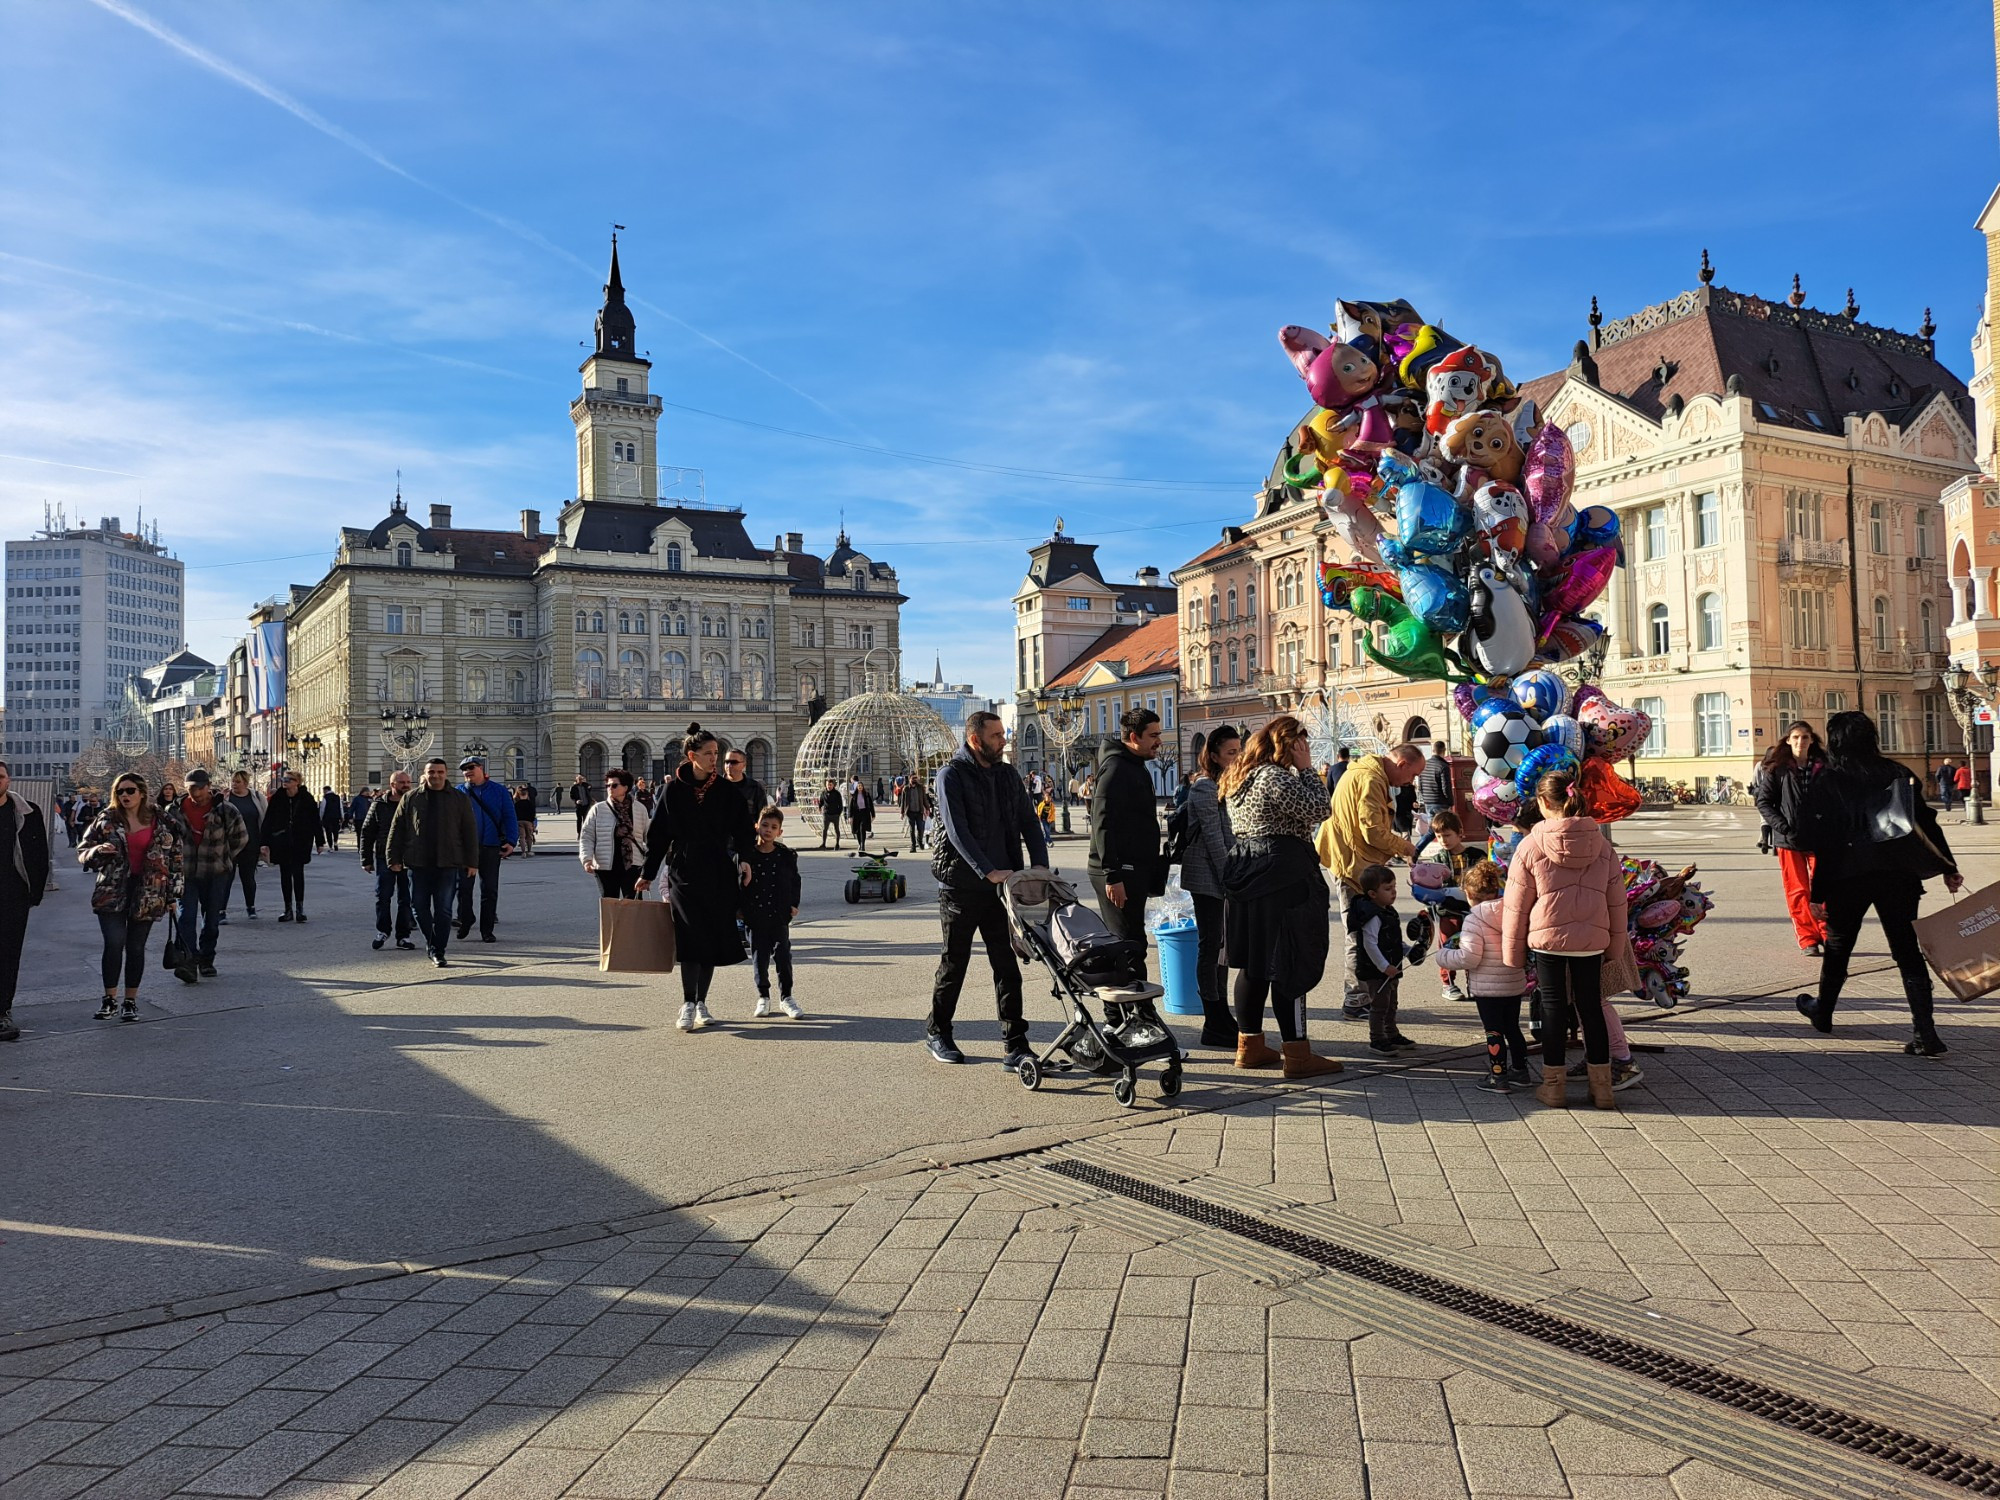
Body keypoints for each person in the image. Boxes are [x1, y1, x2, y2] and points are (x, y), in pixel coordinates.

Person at [1795, 710, 1962, 1056]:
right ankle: (1925, 1033)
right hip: (1897, 874)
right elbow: (1927, 824)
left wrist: (1818, 893)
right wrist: (1948, 866)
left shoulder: (1829, 780)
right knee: (1905, 950)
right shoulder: (1897, 772)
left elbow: (1819, 839)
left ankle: (1823, 1011)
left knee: (1839, 946)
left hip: (1846, 875)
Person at [1219, 715, 1340, 1079]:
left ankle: (1250, 1045)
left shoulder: (1239, 776)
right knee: (1292, 957)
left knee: (1255, 962)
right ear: (1285, 744)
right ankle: (1297, 1053)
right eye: (1301, 743)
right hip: (1283, 871)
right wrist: (1306, 771)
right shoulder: (1274, 776)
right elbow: (1321, 810)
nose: (1305, 750)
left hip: (1247, 867)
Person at [1502, 770, 1631, 1110]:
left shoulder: (1530, 846)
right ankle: (1602, 1088)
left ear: (1544, 803)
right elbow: (1617, 902)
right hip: (1592, 941)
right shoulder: (1602, 845)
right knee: (1590, 1008)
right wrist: (1615, 948)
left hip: (1548, 940)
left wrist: (1513, 954)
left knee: (1553, 1007)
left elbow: (1516, 906)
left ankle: (1554, 1087)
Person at [928, 710, 1048, 1068]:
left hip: (1002, 887)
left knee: (1007, 964)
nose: (1003, 741)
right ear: (975, 739)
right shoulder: (951, 775)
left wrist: (1038, 864)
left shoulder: (1007, 774)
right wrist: (986, 870)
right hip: (961, 886)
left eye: (1002, 735)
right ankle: (938, 1032)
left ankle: (1015, 1044)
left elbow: (1029, 819)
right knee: (955, 962)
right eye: (996, 736)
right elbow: (957, 830)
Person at [638, 725, 756, 1033]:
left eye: (717, 753)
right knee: (691, 936)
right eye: (709, 754)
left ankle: (702, 1001)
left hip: (718, 870)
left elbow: (744, 830)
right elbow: (658, 836)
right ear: (692, 756)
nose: (715, 759)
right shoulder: (672, 791)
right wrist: (647, 875)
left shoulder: (726, 791)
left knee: (712, 937)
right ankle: (688, 1003)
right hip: (684, 871)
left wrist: (745, 859)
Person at [1318, 744, 1423, 1015]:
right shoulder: (1371, 779)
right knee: (1361, 933)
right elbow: (1372, 831)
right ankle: (1355, 998)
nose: (1410, 782)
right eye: (1412, 775)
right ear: (1401, 764)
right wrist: (1406, 847)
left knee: (1367, 931)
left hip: (1353, 861)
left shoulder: (1365, 771)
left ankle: (1363, 996)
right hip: (1353, 865)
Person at [79, 772, 185, 1023]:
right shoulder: (107, 820)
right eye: (119, 792)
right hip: (112, 889)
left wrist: (173, 895)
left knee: (136, 947)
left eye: (129, 791)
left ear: (142, 793)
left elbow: (175, 859)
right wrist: (98, 851)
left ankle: (130, 1001)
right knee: (114, 943)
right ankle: (109, 999)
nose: (124, 796)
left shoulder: (162, 820)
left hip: (149, 891)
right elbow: (83, 852)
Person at [1434, 860, 1531, 1092]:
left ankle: (1498, 1077)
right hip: (1513, 981)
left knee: (1494, 1031)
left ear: (1468, 894)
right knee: (1513, 1028)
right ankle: (1521, 1070)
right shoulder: (1513, 911)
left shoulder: (1474, 919)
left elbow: (1469, 957)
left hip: (1488, 988)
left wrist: (1443, 956)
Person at [1088, 708, 1166, 966]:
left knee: (1134, 941)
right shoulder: (1115, 769)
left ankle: (1135, 1003)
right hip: (1118, 871)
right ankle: (1124, 1005)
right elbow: (1103, 824)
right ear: (1134, 736)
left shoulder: (1136, 766)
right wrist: (1112, 875)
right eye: (1153, 735)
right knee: (1126, 943)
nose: (1159, 741)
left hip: (1134, 869)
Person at [1179, 724, 1240, 1051]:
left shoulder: (1229, 783)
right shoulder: (1205, 787)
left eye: (1238, 751)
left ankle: (1222, 1011)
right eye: (1230, 752)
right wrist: (1230, 875)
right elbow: (1215, 838)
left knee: (1221, 945)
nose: (1236, 757)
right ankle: (1212, 1016)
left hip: (1225, 874)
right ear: (1213, 755)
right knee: (1209, 944)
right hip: (1207, 875)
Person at [387, 758, 480, 968]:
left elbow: (469, 832)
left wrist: (471, 862)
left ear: (446, 774)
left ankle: (439, 950)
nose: (435, 776)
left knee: (444, 909)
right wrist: (393, 858)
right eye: (431, 772)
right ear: (425, 773)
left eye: (439, 772)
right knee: (418, 907)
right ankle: (432, 943)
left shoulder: (458, 798)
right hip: (418, 862)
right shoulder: (411, 798)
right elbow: (397, 829)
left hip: (448, 862)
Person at [166, 769, 250, 984]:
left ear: (208, 787)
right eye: (190, 787)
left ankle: (207, 958)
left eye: (198, 787)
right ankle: (189, 961)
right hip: (186, 874)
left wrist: (224, 857)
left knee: (211, 919)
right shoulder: (173, 811)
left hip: (216, 873)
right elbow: (165, 841)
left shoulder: (225, 810)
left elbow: (240, 837)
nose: (194, 792)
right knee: (186, 916)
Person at [1752, 721, 1828, 955]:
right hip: (1789, 839)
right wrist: (1782, 826)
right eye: (1796, 737)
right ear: (1788, 740)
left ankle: (1827, 933)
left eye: (1805, 737)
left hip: (1820, 838)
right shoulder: (1778, 769)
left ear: (1812, 740)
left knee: (1824, 888)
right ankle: (1808, 938)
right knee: (1797, 891)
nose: (1800, 741)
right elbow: (1763, 801)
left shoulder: (1824, 766)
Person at [0, 763, 51, 1042]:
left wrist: (35, 892)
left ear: (9, 779)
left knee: (8, 954)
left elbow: (38, 852)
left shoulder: (26, 811)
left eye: (0, 776)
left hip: (13, 894)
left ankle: (3, 1010)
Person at [742, 805, 803, 1019]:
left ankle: (786, 997)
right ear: (757, 826)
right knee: (759, 958)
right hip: (755, 915)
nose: (768, 830)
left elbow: (795, 881)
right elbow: (738, 884)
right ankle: (763, 997)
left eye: (774, 827)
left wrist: (794, 903)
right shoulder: (747, 855)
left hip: (779, 915)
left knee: (783, 955)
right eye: (765, 825)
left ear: (780, 832)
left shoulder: (786, 856)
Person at [1349, 864, 1415, 1056]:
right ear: (1372, 894)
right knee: (1379, 1005)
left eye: (1394, 887)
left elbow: (1392, 940)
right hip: (1376, 971)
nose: (1393, 892)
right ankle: (1377, 1038)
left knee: (1391, 1003)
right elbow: (1370, 944)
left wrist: (1408, 951)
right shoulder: (1372, 915)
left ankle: (1391, 1033)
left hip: (1390, 968)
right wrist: (1384, 966)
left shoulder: (1387, 910)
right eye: (1388, 889)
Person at [454, 756, 519, 943]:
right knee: (463, 889)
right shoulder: (459, 792)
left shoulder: (499, 791)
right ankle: (466, 919)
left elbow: (509, 816)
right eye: (464, 769)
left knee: (489, 890)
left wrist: (511, 841)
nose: (467, 771)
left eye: (471, 767)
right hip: (466, 849)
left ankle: (487, 929)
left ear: (481, 768)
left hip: (491, 846)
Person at [361, 770, 418, 950]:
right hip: (384, 857)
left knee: (406, 898)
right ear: (392, 785)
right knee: (383, 896)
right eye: (402, 782)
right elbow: (367, 832)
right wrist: (366, 859)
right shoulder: (379, 805)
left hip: (408, 857)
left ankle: (403, 936)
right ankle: (383, 931)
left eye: (408, 782)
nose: (406, 785)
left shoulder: (414, 804)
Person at [260, 769, 323, 922]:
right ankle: (287, 909)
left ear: (297, 782)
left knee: (298, 874)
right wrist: (264, 842)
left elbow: (315, 820)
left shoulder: (307, 798)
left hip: (301, 841)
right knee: (285, 875)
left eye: (288, 779)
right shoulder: (278, 798)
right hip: (281, 841)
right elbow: (268, 820)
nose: (285, 782)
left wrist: (320, 841)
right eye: (284, 779)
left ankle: (300, 909)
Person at [579, 768, 650, 898]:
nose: (609, 788)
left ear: (625, 787)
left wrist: (650, 865)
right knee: (609, 904)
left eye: (614, 785)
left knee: (634, 904)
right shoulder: (598, 809)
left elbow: (649, 836)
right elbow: (587, 836)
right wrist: (586, 859)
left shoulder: (640, 809)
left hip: (633, 864)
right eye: (607, 785)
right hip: (605, 865)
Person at [224, 771, 265, 918]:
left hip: (251, 843)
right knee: (226, 877)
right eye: (233, 781)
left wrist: (264, 843)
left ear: (246, 783)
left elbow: (264, 819)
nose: (234, 784)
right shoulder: (226, 797)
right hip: (229, 844)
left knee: (248, 877)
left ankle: (251, 907)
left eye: (238, 782)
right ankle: (222, 910)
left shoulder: (257, 797)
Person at [723, 750, 767, 824]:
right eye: (727, 762)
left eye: (734, 762)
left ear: (744, 765)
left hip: (748, 833)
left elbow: (763, 815)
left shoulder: (755, 788)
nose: (729, 765)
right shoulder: (715, 786)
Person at [1416, 741, 1455, 822]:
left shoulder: (1424, 764)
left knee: (1433, 827)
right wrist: (1450, 802)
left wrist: (1424, 798)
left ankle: (1425, 835)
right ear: (1444, 750)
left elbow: (1420, 785)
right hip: (1440, 802)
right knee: (1440, 829)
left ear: (1433, 750)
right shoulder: (1443, 766)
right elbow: (1446, 786)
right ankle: (1424, 836)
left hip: (1428, 801)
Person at [899, 775, 932, 851]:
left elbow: (924, 799)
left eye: (916, 779)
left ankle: (920, 842)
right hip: (910, 812)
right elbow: (903, 801)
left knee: (920, 828)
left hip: (919, 811)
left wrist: (927, 809)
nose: (915, 780)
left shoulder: (920, 788)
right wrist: (902, 812)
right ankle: (913, 845)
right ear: (910, 779)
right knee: (912, 829)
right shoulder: (906, 789)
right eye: (913, 779)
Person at [817, 778, 845, 849]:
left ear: (833, 785)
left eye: (830, 785)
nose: (829, 786)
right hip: (827, 814)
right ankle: (823, 844)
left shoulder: (837, 793)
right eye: (827, 785)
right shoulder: (823, 793)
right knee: (824, 829)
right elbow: (821, 802)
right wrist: (820, 807)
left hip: (835, 814)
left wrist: (838, 813)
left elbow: (840, 804)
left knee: (837, 830)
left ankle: (837, 844)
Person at [512, 783, 538, 856]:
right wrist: (533, 822)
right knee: (529, 836)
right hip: (528, 821)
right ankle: (529, 851)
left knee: (522, 837)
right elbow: (532, 813)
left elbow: (514, 813)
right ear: (526, 795)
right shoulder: (530, 804)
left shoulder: (516, 804)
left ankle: (523, 852)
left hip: (519, 821)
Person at [848, 780, 876, 847]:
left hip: (864, 813)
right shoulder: (854, 796)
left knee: (862, 828)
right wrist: (850, 817)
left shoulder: (866, 795)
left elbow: (871, 805)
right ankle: (860, 843)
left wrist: (873, 814)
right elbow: (850, 807)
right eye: (858, 786)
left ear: (863, 787)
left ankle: (863, 844)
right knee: (857, 830)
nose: (860, 787)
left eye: (861, 786)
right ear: (857, 787)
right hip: (856, 814)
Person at [319, 786, 344, 851]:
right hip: (336, 816)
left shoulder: (325, 798)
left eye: (324, 791)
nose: (323, 792)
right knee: (335, 831)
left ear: (326, 790)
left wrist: (320, 817)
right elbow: (341, 807)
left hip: (327, 817)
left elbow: (322, 809)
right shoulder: (337, 797)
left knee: (328, 831)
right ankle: (335, 842)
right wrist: (342, 816)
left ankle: (331, 847)